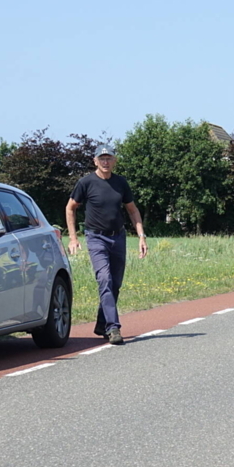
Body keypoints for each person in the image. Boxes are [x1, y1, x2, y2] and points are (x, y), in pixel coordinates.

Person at [65, 144, 148, 345]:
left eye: (109, 158)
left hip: (118, 237)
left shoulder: (121, 183)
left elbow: (133, 210)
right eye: (101, 158)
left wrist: (141, 237)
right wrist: (74, 238)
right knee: (104, 279)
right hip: (96, 238)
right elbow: (70, 208)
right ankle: (113, 328)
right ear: (95, 161)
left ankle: (102, 323)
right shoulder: (86, 183)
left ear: (114, 161)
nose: (105, 162)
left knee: (115, 284)